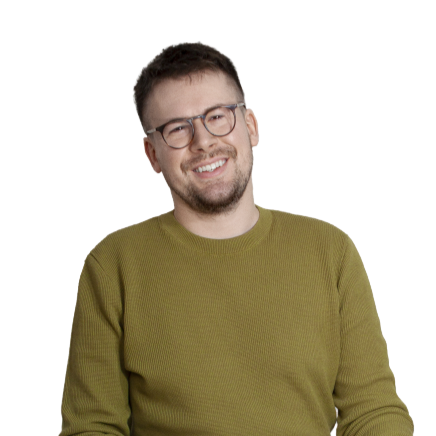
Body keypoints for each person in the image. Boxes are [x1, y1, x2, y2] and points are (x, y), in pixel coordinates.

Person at [59, 42, 414, 435]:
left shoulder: (330, 251)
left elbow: (373, 410)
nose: (203, 141)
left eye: (217, 117)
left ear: (251, 126)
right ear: (152, 154)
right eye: (178, 128)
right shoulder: (113, 264)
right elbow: (92, 426)